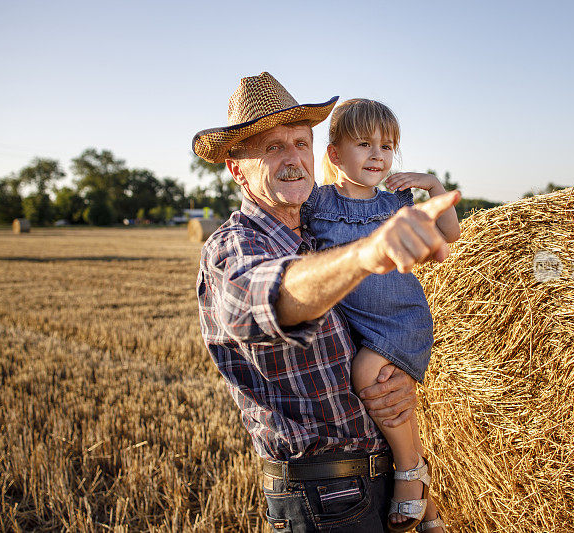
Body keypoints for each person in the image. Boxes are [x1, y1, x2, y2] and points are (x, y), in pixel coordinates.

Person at [193, 72, 459, 532]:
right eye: (273, 147)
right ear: (236, 166)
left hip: (377, 481)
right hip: (324, 502)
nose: (293, 158)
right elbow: (271, 297)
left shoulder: (317, 231)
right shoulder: (231, 248)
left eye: (300, 142)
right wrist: (369, 252)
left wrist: (395, 379)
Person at [300, 98, 458, 532]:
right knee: (376, 412)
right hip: (358, 326)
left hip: (401, 320)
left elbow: (451, 233)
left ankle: (412, 472)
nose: (378, 155)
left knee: (369, 377)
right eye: (365, 143)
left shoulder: (396, 203)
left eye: (387, 146)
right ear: (334, 155)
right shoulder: (316, 203)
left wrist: (434, 185)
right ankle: (432, 509)